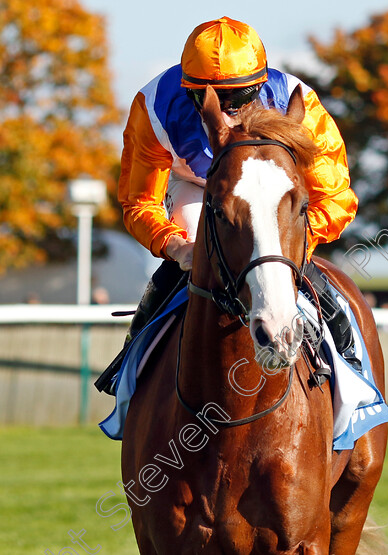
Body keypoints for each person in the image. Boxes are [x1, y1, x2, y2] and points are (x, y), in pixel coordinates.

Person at [98, 17, 359, 392]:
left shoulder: (297, 105)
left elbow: (334, 198)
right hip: (196, 187)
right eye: (207, 100)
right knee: (185, 252)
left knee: (289, 262)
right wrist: (176, 247)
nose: (223, 113)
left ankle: (351, 370)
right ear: (188, 90)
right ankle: (130, 373)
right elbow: (140, 201)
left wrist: (288, 240)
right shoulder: (154, 107)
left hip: (268, 194)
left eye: (236, 100)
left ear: (260, 86)